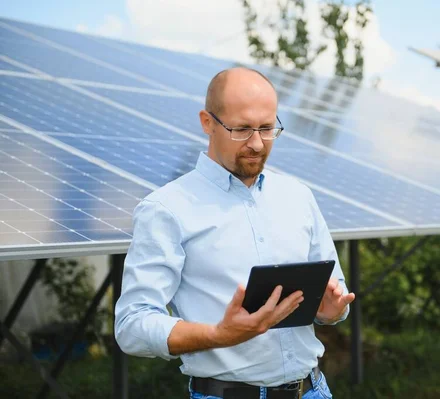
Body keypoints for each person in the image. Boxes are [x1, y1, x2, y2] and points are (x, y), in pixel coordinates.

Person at [114, 67, 355, 399]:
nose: (256, 144)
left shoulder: (298, 197)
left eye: (267, 128)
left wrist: (332, 312)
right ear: (207, 122)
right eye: (241, 129)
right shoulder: (167, 209)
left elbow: (335, 294)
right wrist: (218, 334)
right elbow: (132, 326)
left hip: (313, 390)